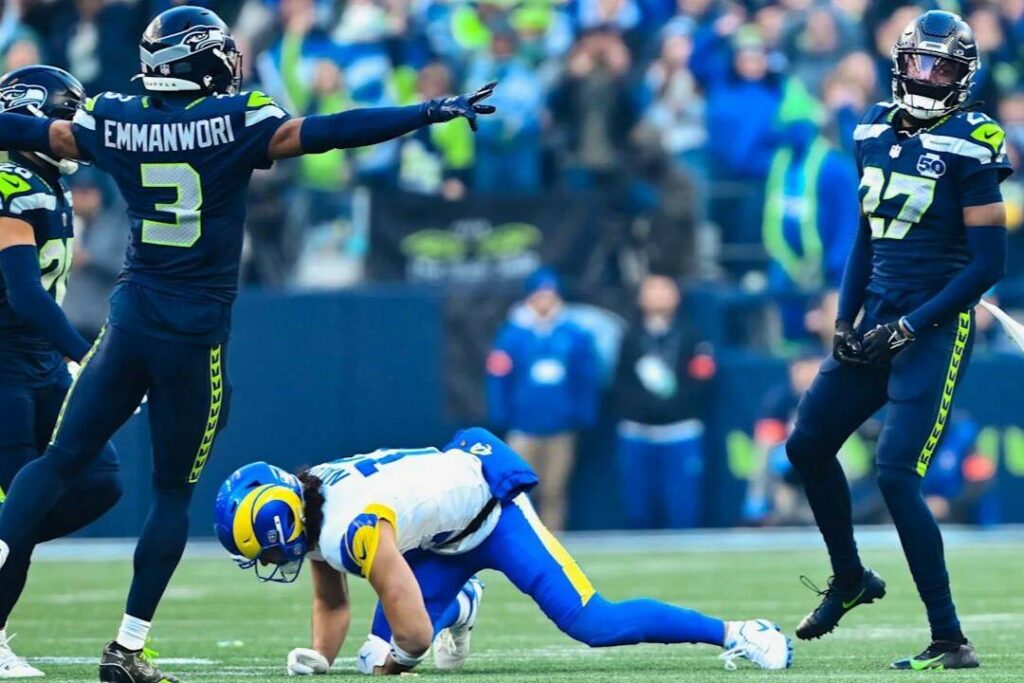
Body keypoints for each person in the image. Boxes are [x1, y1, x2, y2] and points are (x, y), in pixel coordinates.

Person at [0, 7, 496, 682]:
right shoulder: (235, 120)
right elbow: (326, 132)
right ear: (197, 59)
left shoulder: (116, 116)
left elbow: (34, 130)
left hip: (128, 325)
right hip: (194, 340)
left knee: (58, 460)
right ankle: (126, 648)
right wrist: (423, 112)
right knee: (170, 493)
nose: (232, 60)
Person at [785, 11, 1012, 670]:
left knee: (894, 472)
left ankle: (950, 635)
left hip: (937, 324)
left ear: (963, 76)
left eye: (942, 67)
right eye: (919, 62)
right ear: (899, 62)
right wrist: (846, 319)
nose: (927, 76)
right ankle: (850, 576)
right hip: (878, 311)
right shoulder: (869, 126)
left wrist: (909, 325)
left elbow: (988, 265)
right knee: (806, 443)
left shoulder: (975, 138)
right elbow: (866, 236)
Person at [213, 428, 793, 676]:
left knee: (593, 622)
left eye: (264, 555)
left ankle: (739, 631)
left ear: (282, 524)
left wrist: (399, 659)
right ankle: (462, 603)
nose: (268, 564)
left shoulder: (351, 527)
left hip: (490, 513)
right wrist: (321, 659)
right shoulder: (311, 500)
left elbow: (412, 639)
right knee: (372, 661)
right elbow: (331, 601)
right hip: (436, 536)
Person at [0, 65, 123, 679]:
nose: (73, 130)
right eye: (64, 115)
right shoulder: (6, 179)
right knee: (24, 499)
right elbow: (23, 292)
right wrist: (84, 352)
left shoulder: (50, 182)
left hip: (39, 365)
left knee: (101, 480)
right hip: (3, 368)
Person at [486, 268, 600, 532]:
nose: (545, 302)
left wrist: (581, 413)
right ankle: (519, 540)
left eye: (550, 295)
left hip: (560, 425)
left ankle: (553, 539)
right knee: (516, 492)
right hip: (524, 425)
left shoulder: (574, 334)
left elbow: (586, 377)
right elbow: (498, 375)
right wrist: (502, 413)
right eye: (540, 296)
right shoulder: (512, 335)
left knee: (554, 489)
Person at [612, 275, 714, 529]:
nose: (658, 296)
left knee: (683, 508)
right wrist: (644, 408)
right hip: (637, 432)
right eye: (651, 290)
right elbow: (619, 382)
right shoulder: (630, 338)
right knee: (637, 508)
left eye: (664, 290)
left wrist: (672, 406)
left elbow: (702, 382)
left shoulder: (692, 336)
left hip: (680, 431)